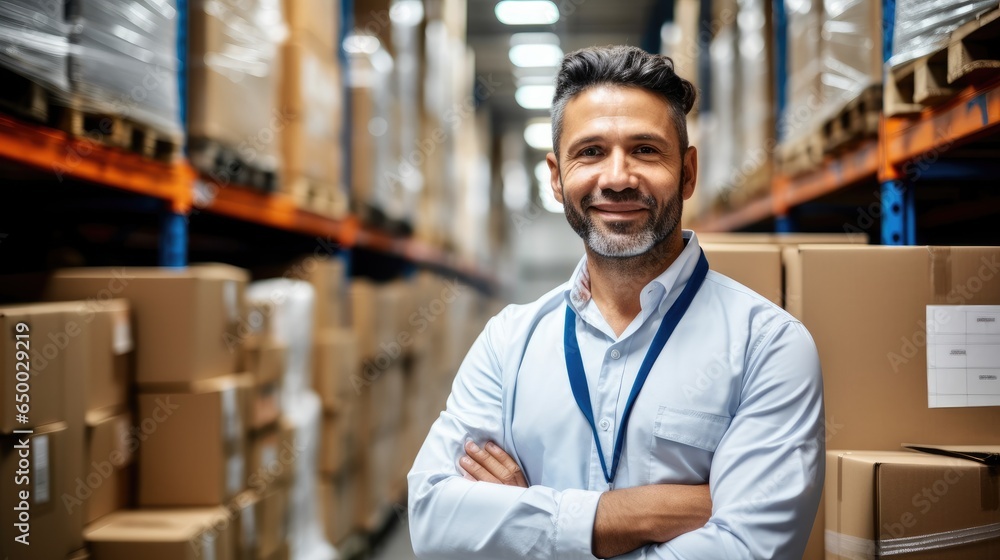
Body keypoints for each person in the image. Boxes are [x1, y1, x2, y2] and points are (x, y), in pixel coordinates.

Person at [407, 45, 825, 559]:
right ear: (557, 177)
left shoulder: (769, 346)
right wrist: (645, 512)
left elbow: (748, 547)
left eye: (646, 150)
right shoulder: (508, 342)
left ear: (688, 171)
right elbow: (434, 521)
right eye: (590, 152)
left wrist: (528, 522)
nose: (617, 177)